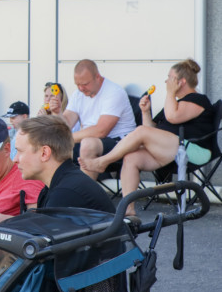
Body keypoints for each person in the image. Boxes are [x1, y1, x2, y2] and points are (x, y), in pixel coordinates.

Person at [80, 59, 215, 215]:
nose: (166, 81)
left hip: (195, 151)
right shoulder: (174, 103)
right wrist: (145, 112)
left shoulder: (197, 99)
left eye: (170, 78)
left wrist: (170, 93)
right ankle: (128, 210)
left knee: (141, 131)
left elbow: (172, 117)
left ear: (181, 82)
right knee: (131, 158)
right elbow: (152, 130)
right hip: (171, 150)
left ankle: (103, 162)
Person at [14, 115, 115, 213]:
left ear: (44, 153)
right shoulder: (60, 186)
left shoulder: (65, 193)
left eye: (20, 151)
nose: (15, 159)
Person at [50, 59, 136, 161]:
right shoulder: (78, 94)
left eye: (85, 84)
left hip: (118, 142)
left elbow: (101, 131)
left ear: (97, 77)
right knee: (49, 147)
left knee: (86, 145)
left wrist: (66, 139)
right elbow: (67, 124)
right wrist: (57, 113)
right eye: (77, 84)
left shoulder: (114, 92)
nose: (81, 88)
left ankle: (86, 172)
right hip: (89, 141)